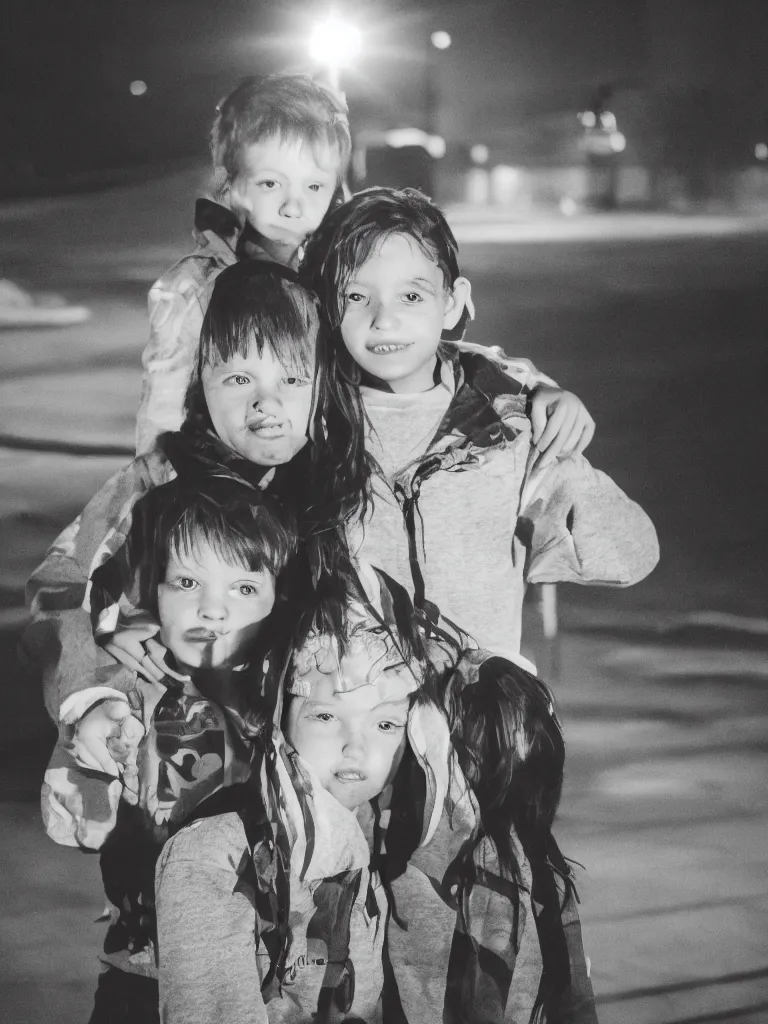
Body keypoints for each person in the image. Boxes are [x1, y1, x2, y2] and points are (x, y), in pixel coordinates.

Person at [25, 261, 361, 780]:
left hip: (299, 777)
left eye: (292, 378)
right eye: (239, 377)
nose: (266, 402)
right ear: (199, 384)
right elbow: (61, 583)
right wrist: (90, 691)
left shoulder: (339, 484)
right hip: (156, 775)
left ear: (323, 384)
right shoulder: (157, 480)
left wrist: (528, 386)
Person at [301, 186, 660, 662]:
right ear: (330, 307)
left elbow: (631, 555)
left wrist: (564, 468)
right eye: (356, 295)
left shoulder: (508, 431)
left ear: (452, 303)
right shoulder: (311, 425)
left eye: (411, 295)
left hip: (479, 724)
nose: (383, 320)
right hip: (356, 723)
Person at [41, 473, 298, 1023]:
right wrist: (91, 767)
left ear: (279, 599)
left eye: (244, 589)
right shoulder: (125, 692)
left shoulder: (288, 694)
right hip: (140, 972)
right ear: (151, 589)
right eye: (186, 583)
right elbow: (70, 821)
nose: (213, 609)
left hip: (268, 980)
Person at [136, 73, 352, 454]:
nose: (293, 205)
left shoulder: (332, 275)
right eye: (271, 183)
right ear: (232, 184)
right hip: (222, 490)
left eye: (314, 186)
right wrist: (169, 494)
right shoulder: (197, 286)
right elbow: (163, 411)